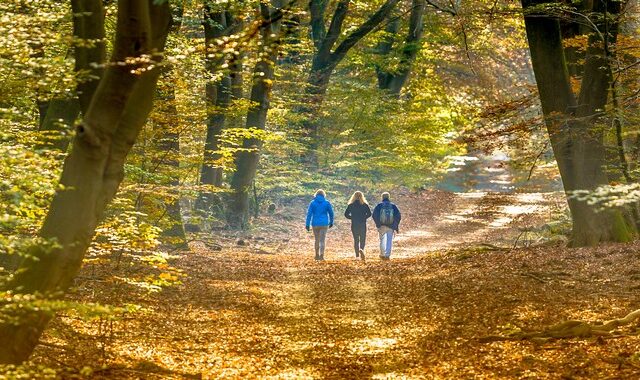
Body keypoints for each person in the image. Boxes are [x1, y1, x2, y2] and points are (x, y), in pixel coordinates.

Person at [305, 189, 334, 260]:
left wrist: (307, 224)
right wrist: (331, 222)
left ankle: (316, 255)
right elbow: (331, 213)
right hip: (324, 224)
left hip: (315, 224)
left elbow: (309, 214)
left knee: (317, 239)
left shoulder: (312, 203)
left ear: (316, 195)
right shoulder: (327, 203)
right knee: (322, 240)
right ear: (324, 195)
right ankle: (322, 255)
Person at [372, 192, 401, 260]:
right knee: (389, 240)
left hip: (381, 226)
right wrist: (394, 225)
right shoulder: (393, 206)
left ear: (382, 197)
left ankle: (382, 254)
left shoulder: (379, 205)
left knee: (382, 240)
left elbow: (374, 215)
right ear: (389, 197)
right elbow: (398, 216)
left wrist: (378, 224)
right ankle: (387, 255)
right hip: (390, 226)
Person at [344, 191, 372, 260]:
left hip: (354, 224)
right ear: (362, 196)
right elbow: (369, 214)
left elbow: (346, 214)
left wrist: (352, 218)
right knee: (362, 239)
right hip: (362, 224)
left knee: (356, 240)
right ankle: (361, 249)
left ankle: (357, 256)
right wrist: (364, 217)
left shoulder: (351, 205)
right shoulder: (365, 204)